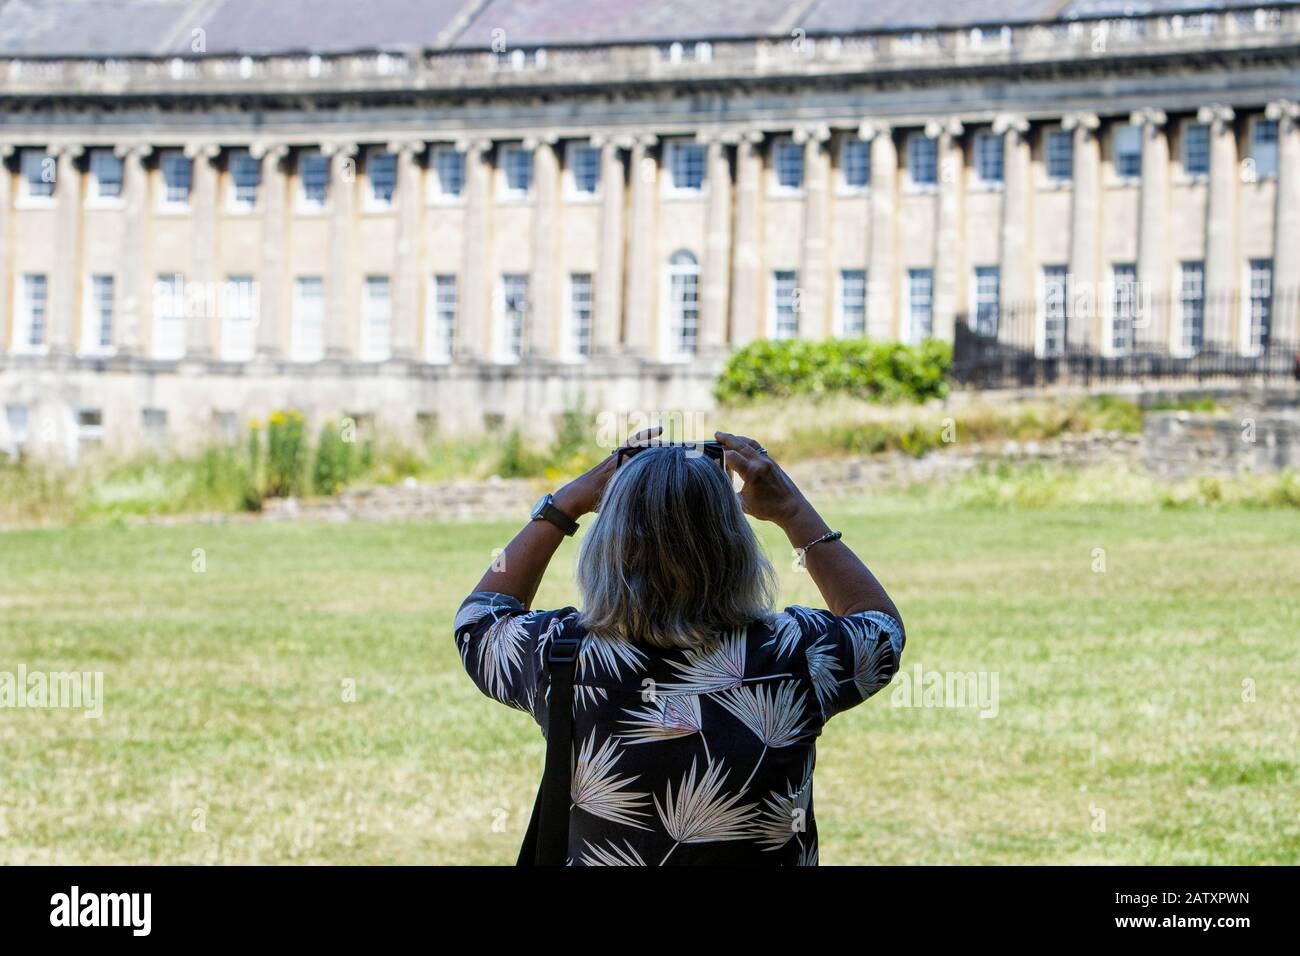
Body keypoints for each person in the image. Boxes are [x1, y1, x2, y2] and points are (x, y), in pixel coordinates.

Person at [454, 429, 905, 865]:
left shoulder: (560, 656)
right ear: (734, 545)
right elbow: (880, 627)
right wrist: (792, 510)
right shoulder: (797, 655)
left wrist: (566, 503)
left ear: (609, 547)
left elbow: (478, 620)